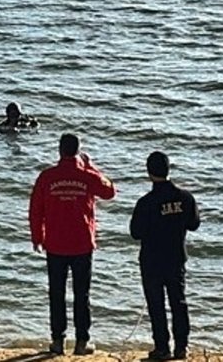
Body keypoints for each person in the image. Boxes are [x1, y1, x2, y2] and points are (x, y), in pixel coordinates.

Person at [29, 133, 116, 355]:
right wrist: (91, 166)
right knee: (82, 294)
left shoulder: (47, 177)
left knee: (56, 294)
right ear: (78, 151)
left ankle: (58, 341)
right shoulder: (86, 176)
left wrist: (37, 237)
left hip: (56, 244)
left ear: (60, 151)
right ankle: (81, 342)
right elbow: (109, 191)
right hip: (81, 245)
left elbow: (35, 210)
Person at [129, 151, 200, 361]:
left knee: (156, 305)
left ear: (149, 173)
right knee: (179, 302)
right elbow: (194, 224)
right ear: (169, 170)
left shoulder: (146, 203)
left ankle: (162, 347)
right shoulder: (185, 198)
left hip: (151, 261)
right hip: (176, 258)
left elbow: (135, 233)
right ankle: (182, 347)